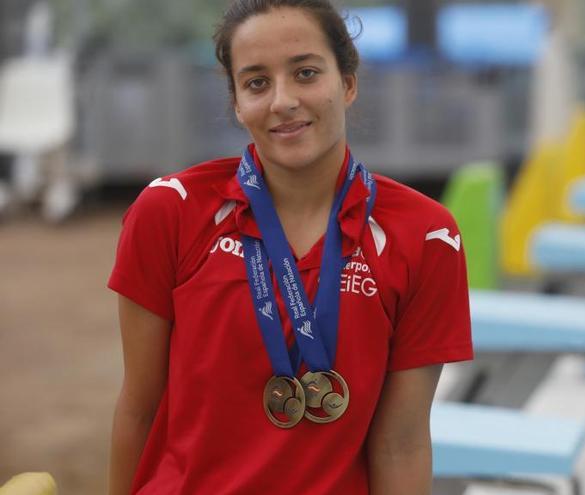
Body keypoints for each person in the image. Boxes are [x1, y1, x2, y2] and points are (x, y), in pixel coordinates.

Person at [107, 1, 473, 493]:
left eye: (305, 73)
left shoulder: (426, 237)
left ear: (347, 83)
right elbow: (138, 408)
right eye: (256, 82)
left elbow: (401, 444)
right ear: (237, 102)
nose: (282, 100)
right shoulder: (170, 211)